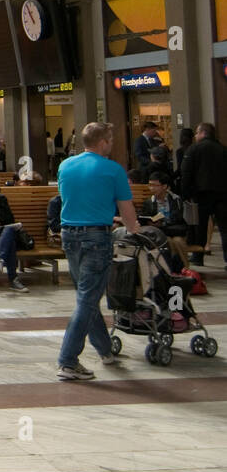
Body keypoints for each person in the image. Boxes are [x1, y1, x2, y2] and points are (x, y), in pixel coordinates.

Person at [56, 122, 139, 380]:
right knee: (88, 299)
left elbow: (67, 197)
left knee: (86, 296)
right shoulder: (113, 170)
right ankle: (67, 361)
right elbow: (126, 211)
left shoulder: (65, 166)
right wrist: (136, 231)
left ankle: (105, 349)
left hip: (69, 235)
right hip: (96, 238)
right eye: (110, 140)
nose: (112, 145)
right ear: (103, 142)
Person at [179, 122, 227, 265]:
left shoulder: (194, 150)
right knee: (225, 228)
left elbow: (186, 172)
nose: (195, 136)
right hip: (223, 194)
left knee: (200, 227)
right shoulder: (223, 150)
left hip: (201, 194)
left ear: (203, 133)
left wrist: (185, 193)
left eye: (197, 133)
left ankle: (198, 257)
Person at [139, 171, 190, 270]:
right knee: (168, 241)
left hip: (173, 230)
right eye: (150, 185)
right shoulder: (149, 202)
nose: (151, 188)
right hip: (159, 233)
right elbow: (144, 217)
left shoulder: (176, 200)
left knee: (178, 241)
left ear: (164, 186)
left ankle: (185, 268)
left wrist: (164, 223)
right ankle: (172, 269)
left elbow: (179, 218)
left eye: (155, 185)